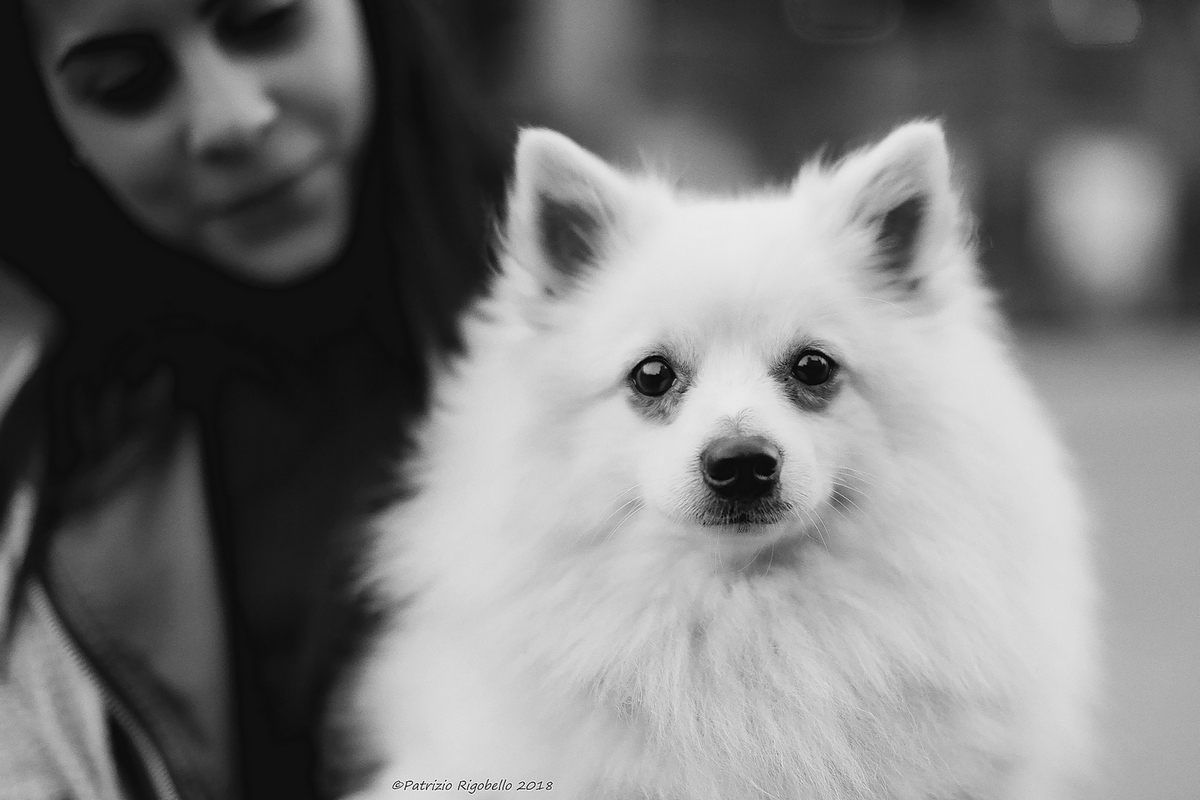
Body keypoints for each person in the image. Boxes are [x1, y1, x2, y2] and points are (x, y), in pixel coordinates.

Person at [0, 0, 505, 797]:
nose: (230, 118)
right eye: (126, 85)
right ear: (49, 120)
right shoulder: (29, 476)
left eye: (265, 22)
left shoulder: (628, 324)